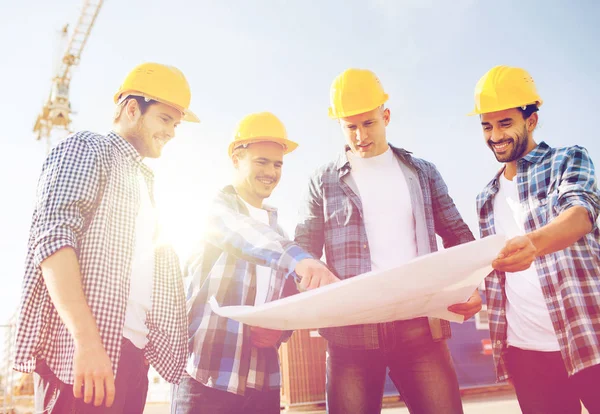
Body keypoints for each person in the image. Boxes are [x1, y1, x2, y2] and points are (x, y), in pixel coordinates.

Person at [13, 62, 199, 413]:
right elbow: (53, 239)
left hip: (127, 358)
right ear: (132, 109)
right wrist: (86, 340)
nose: (173, 131)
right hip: (84, 359)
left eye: (176, 124)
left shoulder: (144, 183)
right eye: (165, 119)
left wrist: (141, 355)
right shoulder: (88, 148)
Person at [294, 68, 480, 414]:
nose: (360, 135)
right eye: (351, 126)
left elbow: (458, 235)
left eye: (369, 123)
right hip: (350, 336)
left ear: (386, 116)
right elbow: (303, 247)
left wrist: (471, 284)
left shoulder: (422, 173)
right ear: (339, 125)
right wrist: (308, 269)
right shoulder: (322, 181)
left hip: (420, 331)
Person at [172, 112, 339, 414]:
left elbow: (290, 302)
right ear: (236, 158)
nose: (271, 172)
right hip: (207, 379)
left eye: (278, 164)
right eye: (261, 162)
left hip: (262, 385)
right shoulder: (215, 211)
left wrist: (281, 330)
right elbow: (244, 234)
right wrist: (302, 260)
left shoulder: (280, 234)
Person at [472, 65, 600, 414]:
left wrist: (534, 243)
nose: (495, 135)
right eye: (487, 125)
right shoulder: (486, 197)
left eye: (505, 123)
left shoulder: (568, 159)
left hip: (588, 338)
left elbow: (581, 212)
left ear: (531, 120)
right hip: (527, 354)